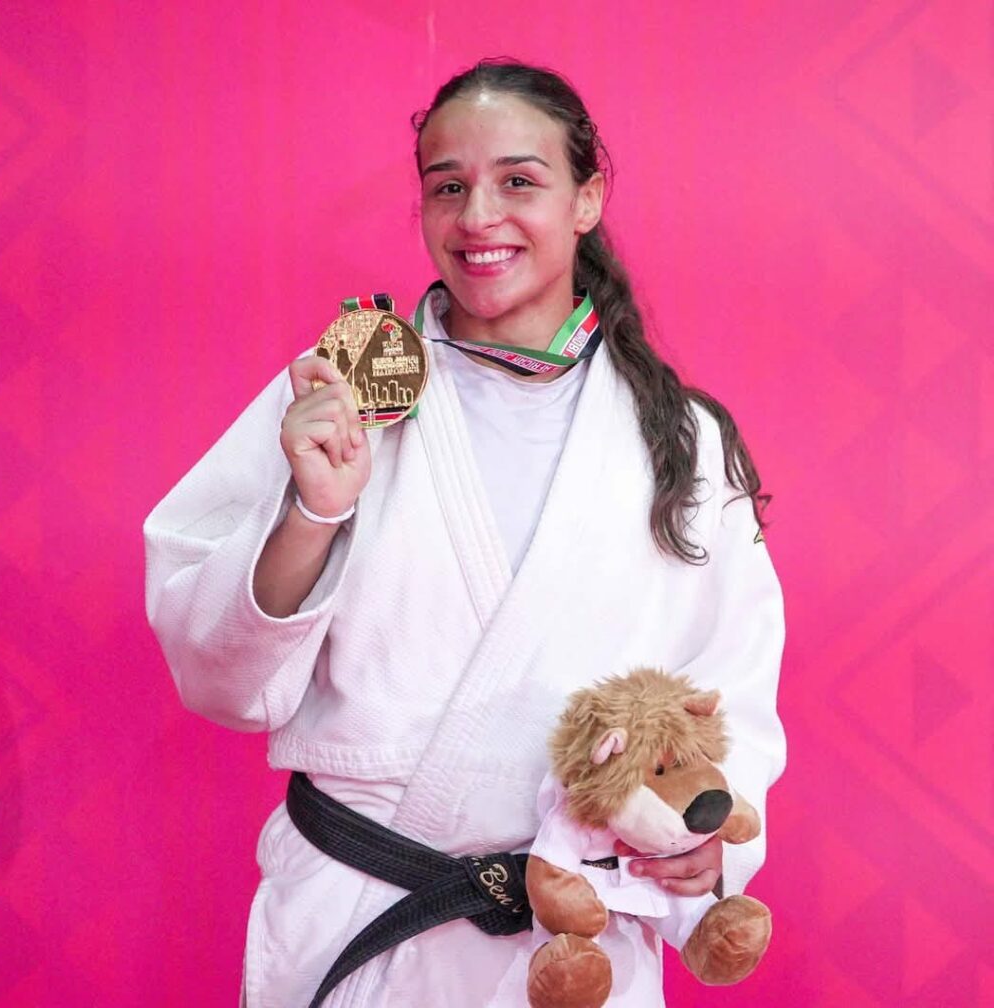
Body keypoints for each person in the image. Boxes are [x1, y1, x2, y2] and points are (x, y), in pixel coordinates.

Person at [144, 59, 785, 1008]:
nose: (479, 216)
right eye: (448, 187)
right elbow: (218, 676)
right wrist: (313, 508)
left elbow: (736, 684)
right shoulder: (341, 395)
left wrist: (710, 830)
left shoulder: (685, 440)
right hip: (367, 918)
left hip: (576, 942)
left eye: (519, 181)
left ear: (586, 200)